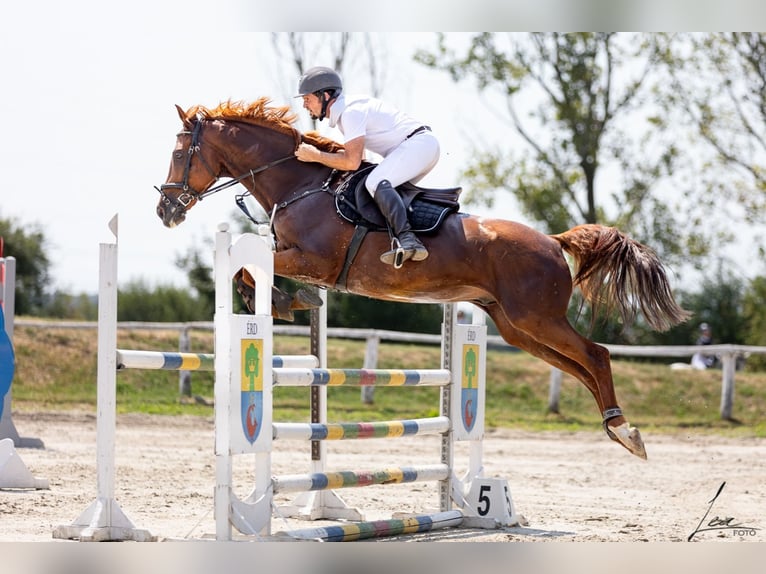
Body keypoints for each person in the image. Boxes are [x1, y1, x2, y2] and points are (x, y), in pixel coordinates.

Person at [293, 66, 440, 266]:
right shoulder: (349, 111)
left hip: (418, 146)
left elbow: (351, 162)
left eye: (307, 99)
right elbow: (358, 159)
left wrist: (315, 156)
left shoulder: (351, 112)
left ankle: (408, 239)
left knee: (375, 182)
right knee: (379, 192)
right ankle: (405, 238)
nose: (305, 105)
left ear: (325, 95)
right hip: (419, 148)